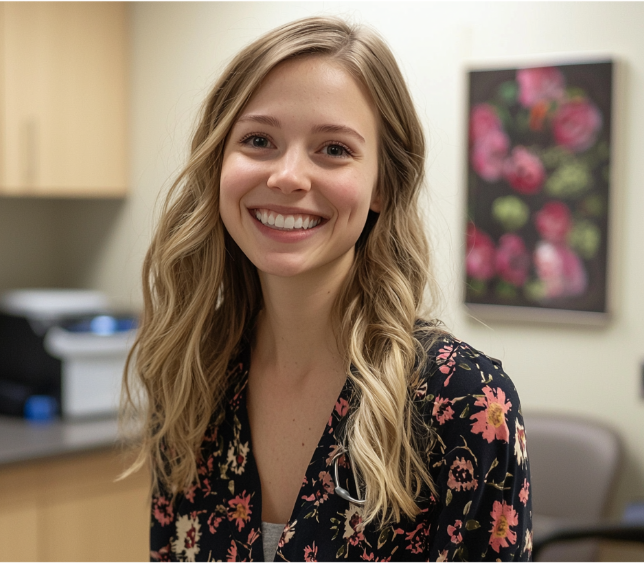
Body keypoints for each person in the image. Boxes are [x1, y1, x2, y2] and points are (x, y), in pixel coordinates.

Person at [122, 16, 531, 563]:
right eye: (259, 140)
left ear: (382, 185)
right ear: (219, 161)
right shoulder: (193, 377)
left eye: (334, 149)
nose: (289, 176)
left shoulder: (464, 402)